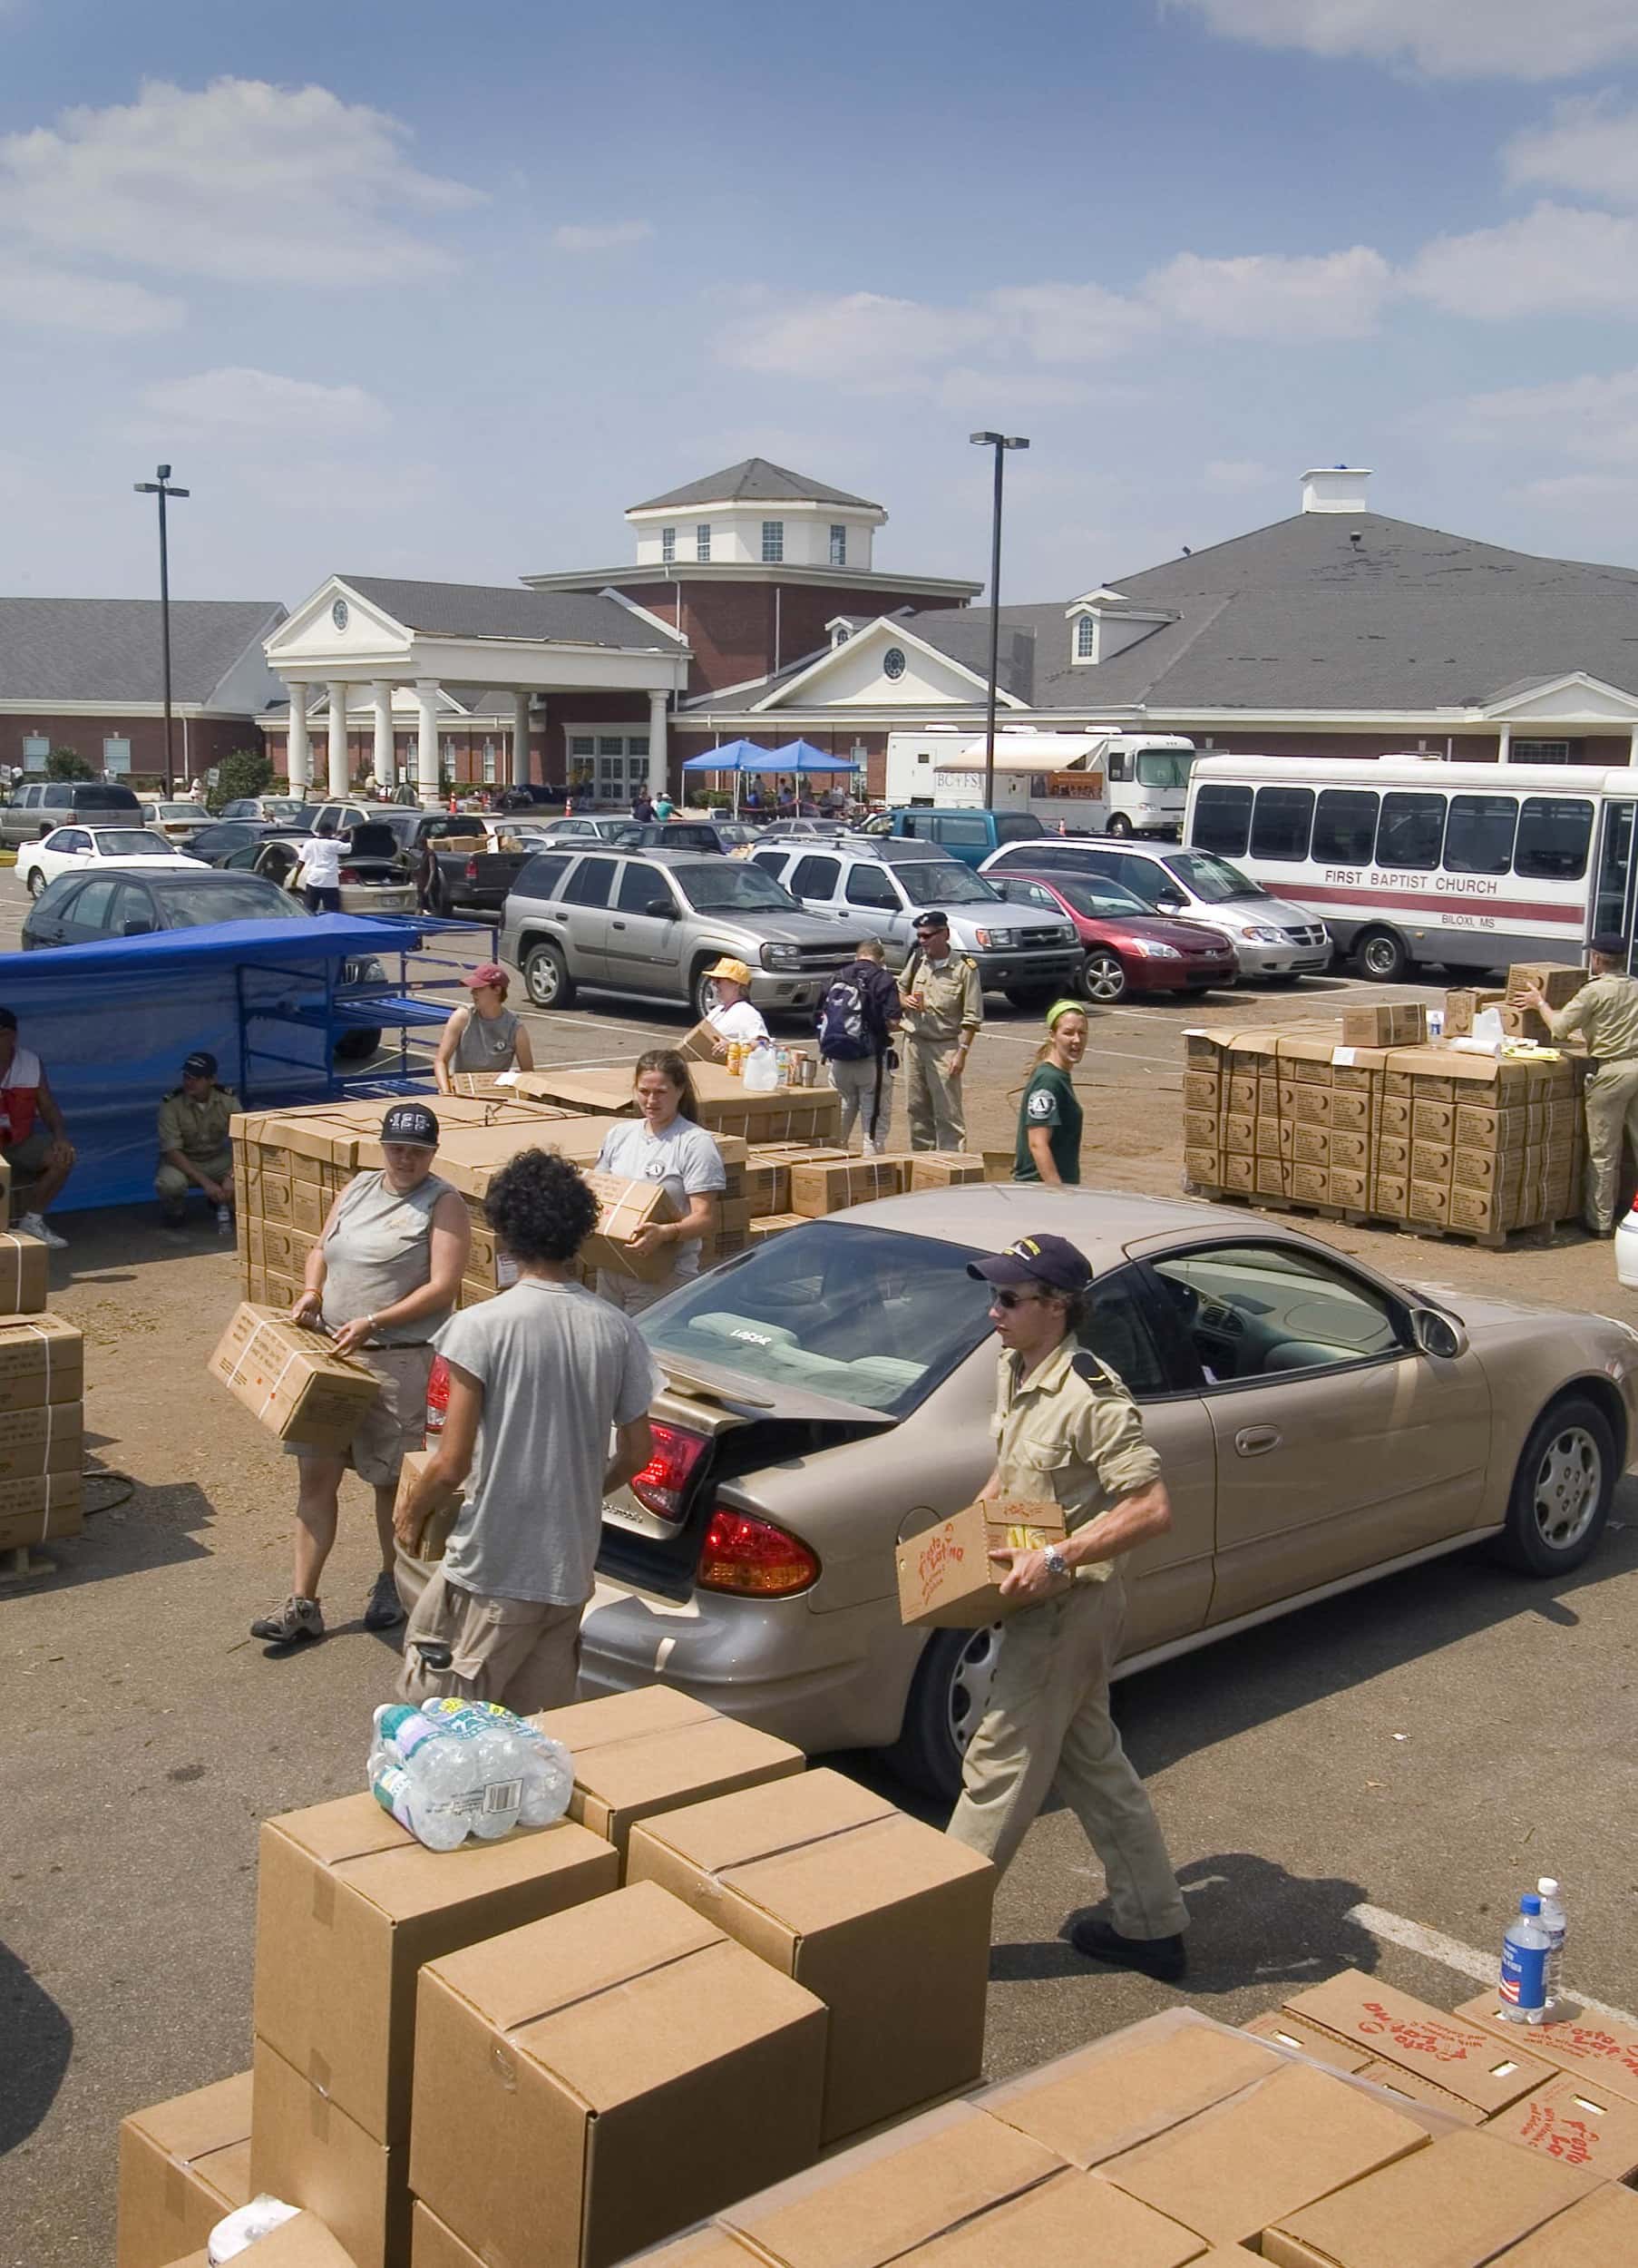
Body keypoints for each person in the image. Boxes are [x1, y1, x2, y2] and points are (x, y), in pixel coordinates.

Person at [946, 1232, 1189, 1980]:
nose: (994, 1311)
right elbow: (1010, 1474)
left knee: (998, 1764)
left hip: (1068, 1607)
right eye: (993, 1295)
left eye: (1010, 1299)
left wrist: (1055, 1555)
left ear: (1057, 1307)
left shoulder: (1092, 1396)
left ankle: (926, 1933)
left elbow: (1149, 1508)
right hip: (1038, 1599)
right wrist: (965, 1540)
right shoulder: (1014, 1368)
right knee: (1090, 1761)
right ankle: (1152, 1927)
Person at [395, 1149, 659, 1712]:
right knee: (535, 1736)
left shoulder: (479, 1328)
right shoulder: (617, 1330)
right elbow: (639, 1452)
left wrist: (411, 1513)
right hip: (568, 1571)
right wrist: (583, 1492)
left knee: (448, 1724)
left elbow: (451, 1462)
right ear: (579, 1233)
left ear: (505, 1233)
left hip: (496, 1567)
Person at [251, 1102, 471, 1648]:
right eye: (398, 1147)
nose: (406, 1158)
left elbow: (442, 1288)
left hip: (396, 1360)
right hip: (332, 1356)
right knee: (315, 1478)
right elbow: (320, 1250)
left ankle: (392, 1583)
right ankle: (302, 1601)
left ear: (433, 1153)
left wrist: (374, 1321)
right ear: (383, 1145)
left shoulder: (443, 1204)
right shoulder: (359, 1188)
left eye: (418, 1151)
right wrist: (311, 1293)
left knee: (389, 1484)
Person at [1519, 934, 1638, 1234]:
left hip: (1610, 1074)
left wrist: (1539, 1003)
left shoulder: (1593, 992)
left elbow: (1559, 1028)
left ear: (1597, 959)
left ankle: (1600, 1222)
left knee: (1604, 1152)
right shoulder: (1636, 987)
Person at [590, 1051, 725, 1313]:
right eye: (644, 1091)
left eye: (661, 1092)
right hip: (612, 1270)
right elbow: (599, 1194)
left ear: (680, 1090)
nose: (651, 1101)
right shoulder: (619, 1135)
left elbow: (705, 1218)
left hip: (663, 1277)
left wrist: (665, 1233)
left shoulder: (694, 1143)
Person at [900, 910, 982, 1151]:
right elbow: (899, 988)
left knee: (948, 1112)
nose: (923, 941)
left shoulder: (964, 968)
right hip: (913, 1043)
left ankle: (952, 1164)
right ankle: (923, 1163)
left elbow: (972, 1017)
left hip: (944, 1046)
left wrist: (962, 1053)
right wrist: (904, 1001)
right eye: (920, 936)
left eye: (927, 936)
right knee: (916, 1109)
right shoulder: (917, 960)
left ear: (944, 934)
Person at [818, 941, 902, 1155]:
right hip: (870, 1061)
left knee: (839, 1120)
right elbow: (893, 1020)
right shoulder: (883, 979)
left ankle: (833, 1168)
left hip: (838, 1059)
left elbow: (818, 1017)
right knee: (872, 1125)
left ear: (857, 957)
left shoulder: (837, 976)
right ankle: (872, 1172)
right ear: (881, 960)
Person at [0, 1009, 73, 1248]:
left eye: (1, 1035)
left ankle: (31, 1220)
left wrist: (60, 1137)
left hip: (19, 1142)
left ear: (11, 1035)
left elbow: (48, 1106)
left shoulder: (30, 1062)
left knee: (63, 1157)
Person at [156, 1049, 239, 1230]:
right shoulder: (171, 1105)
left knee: (248, 1175)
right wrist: (206, 1183)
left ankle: (224, 1202)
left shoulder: (228, 1101)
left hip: (217, 1159)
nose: (189, 1082)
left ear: (212, 1080)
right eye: (186, 1077)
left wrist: (231, 1176)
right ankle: (175, 1212)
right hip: (185, 1161)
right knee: (171, 1184)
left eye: (196, 1078)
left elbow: (242, 1142)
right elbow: (172, 1151)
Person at [1013, 1002, 1088, 1186]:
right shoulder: (1048, 1081)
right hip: (1040, 1190)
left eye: (1082, 1033)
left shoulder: (1058, 1076)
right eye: (1068, 1033)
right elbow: (1037, 1144)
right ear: (1053, 1036)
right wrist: (1057, 1191)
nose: (1077, 1040)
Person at [433, 963, 534, 1094]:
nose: (473, 992)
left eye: (479, 988)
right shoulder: (463, 1017)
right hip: (462, 1090)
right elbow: (441, 1061)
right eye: (473, 988)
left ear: (497, 990)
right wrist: (446, 1092)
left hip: (496, 1092)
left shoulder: (516, 1028)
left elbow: (528, 1073)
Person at [701, 958, 769, 1055]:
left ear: (736, 983)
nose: (714, 983)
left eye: (718, 980)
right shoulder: (718, 1010)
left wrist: (732, 1046)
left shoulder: (747, 1012)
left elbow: (764, 1044)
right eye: (713, 980)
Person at [295, 817, 342, 913]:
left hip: (313, 881)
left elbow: (301, 862)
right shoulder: (334, 844)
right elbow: (351, 847)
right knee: (332, 910)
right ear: (330, 832)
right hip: (329, 882)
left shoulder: (309, 843)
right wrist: (352, 832)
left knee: (310, 909)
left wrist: (295, 878)